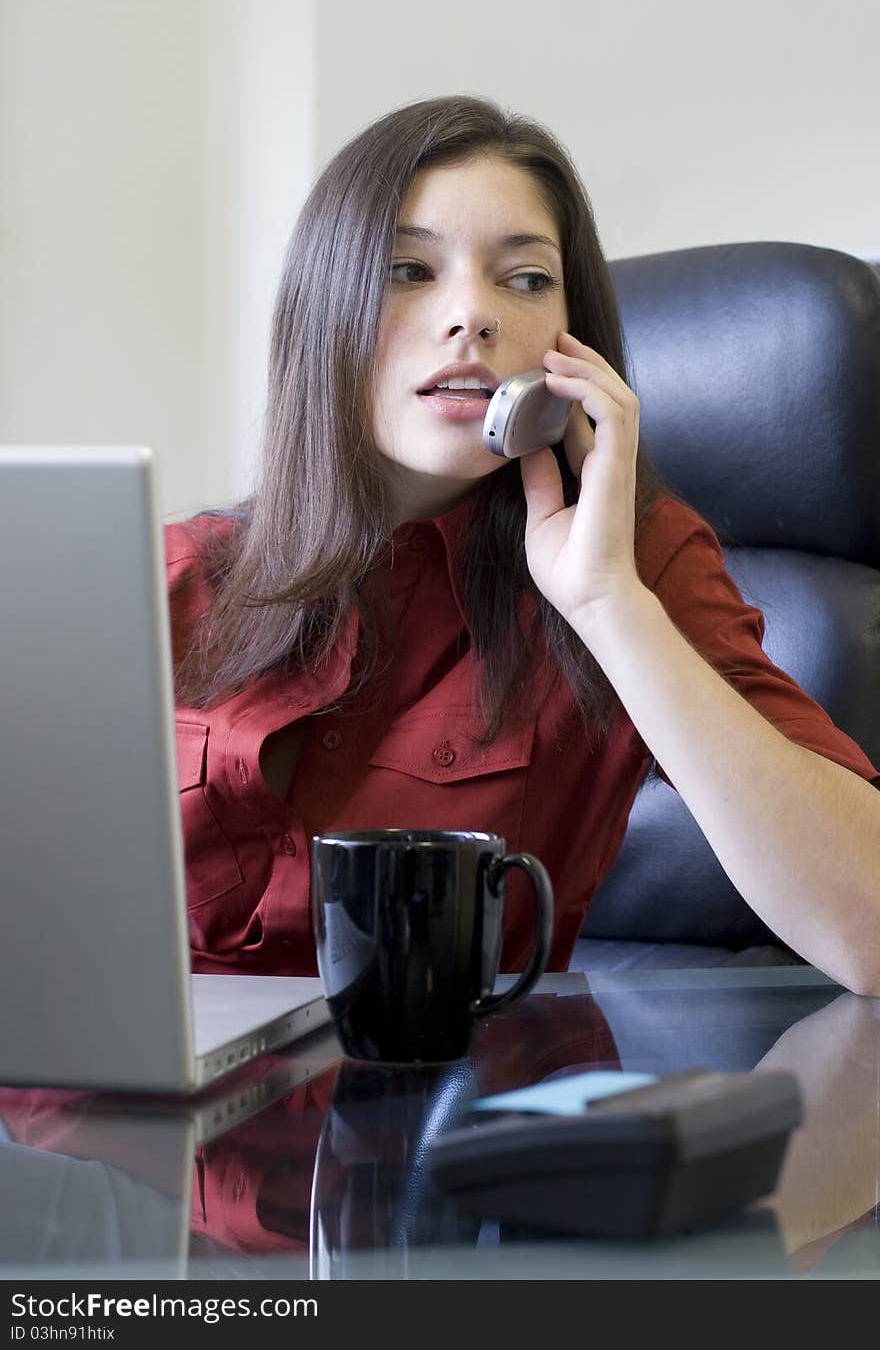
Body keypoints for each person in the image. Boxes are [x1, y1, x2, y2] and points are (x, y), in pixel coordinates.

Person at [168, 94, 880, 994]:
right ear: (324, 314)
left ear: (571, 342)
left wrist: (608, 606)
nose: (472, 315)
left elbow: (871, 925)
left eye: (526, 278)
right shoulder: (171, 577)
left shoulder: (628, 559)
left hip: (443, 1111)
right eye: (407, 268)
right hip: (122, 1113)